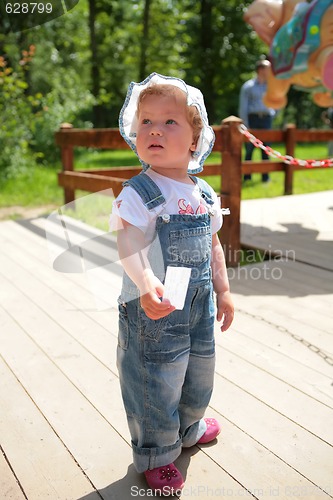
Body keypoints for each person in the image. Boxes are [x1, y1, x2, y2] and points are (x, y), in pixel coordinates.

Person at [110, 73, 234, 494]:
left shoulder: (203, 192)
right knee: (155, 378)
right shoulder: (140, 191)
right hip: (153, 309)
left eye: (169, 122)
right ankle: (157, 454)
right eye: (146, 122)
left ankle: (189, 426)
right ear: (134, 132)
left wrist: (223, 289)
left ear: (196, 140)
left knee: (199, 369)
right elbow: (127, 240)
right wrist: (145, 283)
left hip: (199, 305)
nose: (155, 130)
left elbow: (213, 245)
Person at [239, 59, 276, 182]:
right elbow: (243, 106)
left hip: (266, 119)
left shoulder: (271, 86)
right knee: (249, 149)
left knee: (266, 148)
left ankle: (265, 177)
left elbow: (276, 101)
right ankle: (247, 176)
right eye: (267, 69)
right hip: (252, 119)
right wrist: (245, 124)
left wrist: (273, 114)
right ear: (260, 70)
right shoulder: (248, 86)